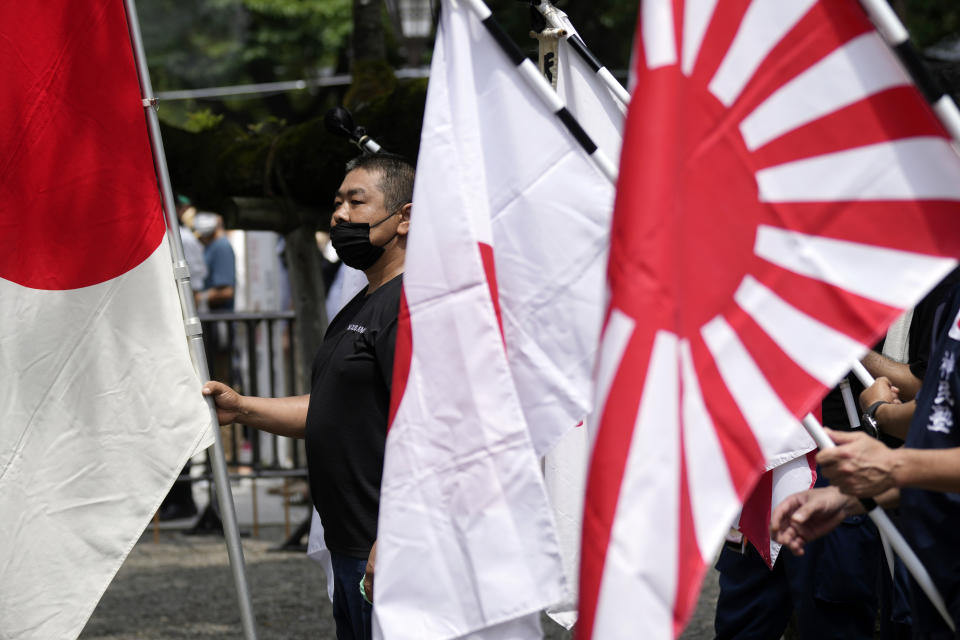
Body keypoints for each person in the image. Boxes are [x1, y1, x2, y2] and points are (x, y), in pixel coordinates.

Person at [202, 153, 413, 640]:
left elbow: (429, 430)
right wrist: (243, 408)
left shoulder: (408, 306)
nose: (339, 215)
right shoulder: (360, 304)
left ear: (405, 217)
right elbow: (332, 410)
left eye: (356, 201)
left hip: (388, 549)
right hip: (350, 545)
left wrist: (395, 538)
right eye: (336, 202)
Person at [773, 281, 960, 639]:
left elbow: (921, 395)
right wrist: (853, 497)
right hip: (935, 558)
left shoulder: (943, 284)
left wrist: (889, 451)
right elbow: (940, 418)